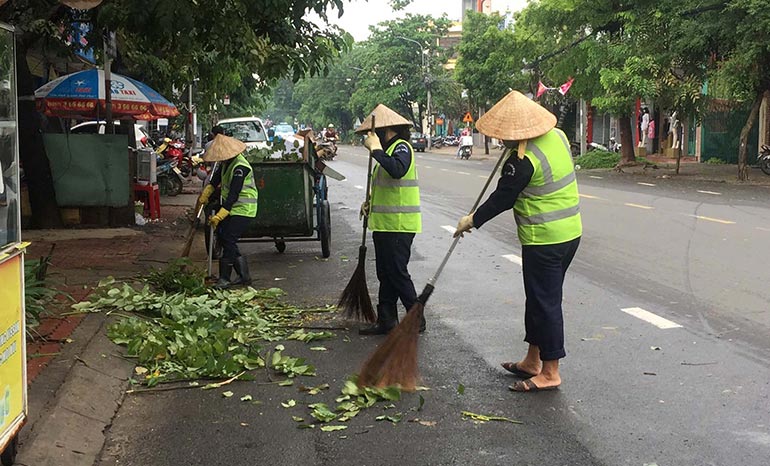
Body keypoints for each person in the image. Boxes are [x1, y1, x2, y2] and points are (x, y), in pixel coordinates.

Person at [453, 90, 582, 393]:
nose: (501, 141)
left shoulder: (522, 160)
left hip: (545, 240)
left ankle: (550, 372)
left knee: (546, 303)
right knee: (538, 299)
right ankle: (532, 361)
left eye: (504, 136)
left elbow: (503, 198)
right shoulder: (559, 136)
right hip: (570, 234)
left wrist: (472, 219)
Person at [357, 104, 423, 335]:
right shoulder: (388, 150)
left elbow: (397, 170)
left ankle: (417, 318)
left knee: (396, 272)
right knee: (385, 273)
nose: (372, 139)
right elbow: (387, 186)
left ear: (386, 132)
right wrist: (369, 204)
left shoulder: (401, 147)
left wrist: (376, 151)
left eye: (375, 135)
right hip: (385, 225)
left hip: (399, 225)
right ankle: (386, 319)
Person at [197, 134, 258, 289]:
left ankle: (225, 278)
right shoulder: (225, 164)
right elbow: (214, 181)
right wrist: (206, 192)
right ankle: (244, 276)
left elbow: (233, 195)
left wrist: (220, 215)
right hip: (233, 207)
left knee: (228, 238)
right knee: (224, 238)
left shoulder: (240, 167)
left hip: (244, 208)